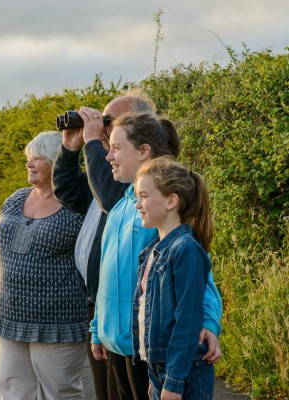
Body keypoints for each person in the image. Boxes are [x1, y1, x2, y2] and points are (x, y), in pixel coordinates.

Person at [84, 111, 222, 399]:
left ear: (144, 152)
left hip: (145, 348)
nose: (108, 156)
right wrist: (98, 329)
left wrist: (208, 322)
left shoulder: (162, 212)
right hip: (114, 344)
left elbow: (198, 281)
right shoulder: (122, 206)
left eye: (116, 148)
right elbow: (106, 276)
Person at [52, 89, 157, 400]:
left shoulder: (146, 183)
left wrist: (93, 143)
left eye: (110, 121)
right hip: (102, 309)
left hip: (133, 318)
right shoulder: (109, 169)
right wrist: (72, 148)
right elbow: (67, 191)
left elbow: (112, 197)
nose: (103, 127)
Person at [0, 131, 89, 400]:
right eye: (28, 157)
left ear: (58, 162)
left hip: (58, 321)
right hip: (8, 314)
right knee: (13, 390)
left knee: (60, 392)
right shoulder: (16, 199)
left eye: (37, 158)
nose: (29, 163)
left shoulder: (78, 205)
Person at [132, 157, 215, 399]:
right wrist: (154, 377)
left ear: (171, 200)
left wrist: (174, 382)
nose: (137, 204)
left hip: (184, 372)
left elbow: (187, 321)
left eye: (144, 196)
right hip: (161, 370)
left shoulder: (185, 249)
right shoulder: (153, 250)